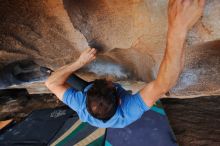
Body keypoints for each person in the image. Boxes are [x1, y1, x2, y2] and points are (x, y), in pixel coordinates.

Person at [45, 0, 205, 128]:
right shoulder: (129, 110)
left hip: (90, 97)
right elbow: (164, 84)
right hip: (111, 107)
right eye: (110, 84)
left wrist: (80, 62)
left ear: (86, 97)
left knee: (55, 75)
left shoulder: (81, 105)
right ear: (120, 99)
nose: (109, 80)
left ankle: (47, 70)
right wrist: (178, 27)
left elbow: (50, 83)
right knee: (63, 76)